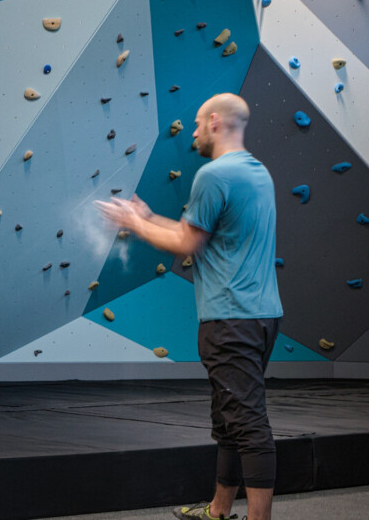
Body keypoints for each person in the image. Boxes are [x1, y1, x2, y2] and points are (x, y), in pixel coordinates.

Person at [97, 93, 283, 520]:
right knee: (229, 418)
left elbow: (186, 244)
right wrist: (149, 216)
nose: (194, 132)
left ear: (215, 122)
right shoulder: (255, 172)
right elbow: (203, 233)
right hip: (260, 314)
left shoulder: (213, 175)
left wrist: (134, 225)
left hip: (231, 318)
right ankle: (218, 510)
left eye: (198, 124)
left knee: (247, 422)